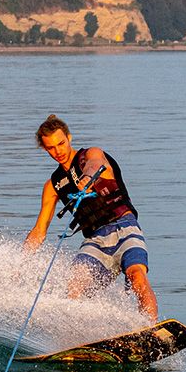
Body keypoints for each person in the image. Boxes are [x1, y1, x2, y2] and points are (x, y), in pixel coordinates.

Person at [23, 114, 158, 322]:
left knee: (137, 275)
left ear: (69, 137)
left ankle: (150, 328)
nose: (58, 151)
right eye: (51, 148)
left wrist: (86, 179)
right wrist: (21, 261)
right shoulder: (53, 186)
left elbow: (94, 164)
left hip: (124, 226)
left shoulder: (91, 154)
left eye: (61, 143)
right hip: (94, 240)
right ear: (44, 148)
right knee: (75, 286)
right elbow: (39, 231)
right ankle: (79, 338)